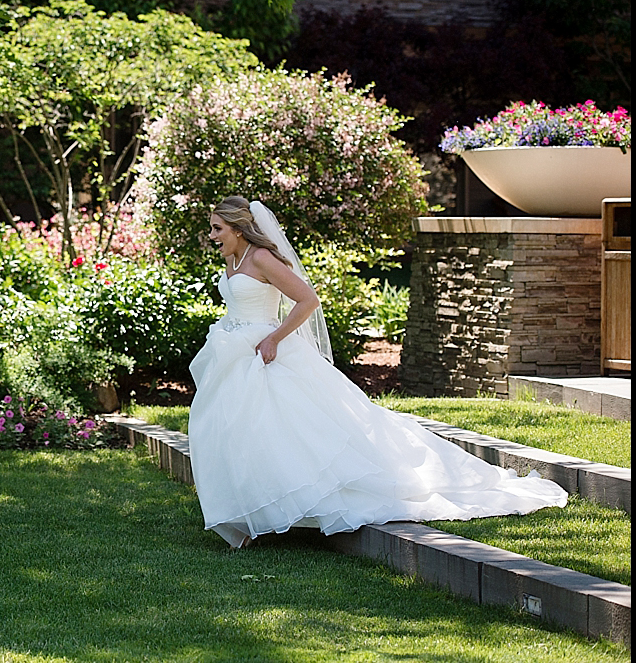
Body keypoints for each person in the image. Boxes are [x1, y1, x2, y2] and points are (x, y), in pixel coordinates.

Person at [186, 195, 568, 549]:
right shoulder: (232, 260)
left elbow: (307, 300)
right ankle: (250, 511)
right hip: (233, 349)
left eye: (217, 228)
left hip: (265, 350)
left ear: (238, 228)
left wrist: (274, 338)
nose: (212, 235)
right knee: (239, 429)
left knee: (293, 430)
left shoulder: (261, 258)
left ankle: (299, 503)